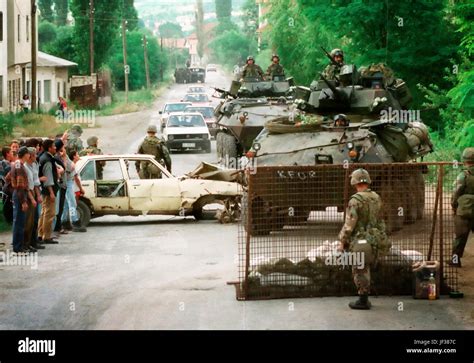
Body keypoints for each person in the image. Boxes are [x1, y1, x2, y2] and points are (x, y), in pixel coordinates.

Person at [338, 168, 388, 310]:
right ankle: (366, 296)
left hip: (361, 241)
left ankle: (363, 300)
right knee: (367, 267)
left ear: (354, 182)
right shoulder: (376, 197)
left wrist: (342, 241)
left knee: (360, 268)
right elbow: (380, 221)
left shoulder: (355, 200)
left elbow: (350, 224)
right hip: (375, 238)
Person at [450, 147, 474, 267]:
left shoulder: (463, 175)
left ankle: (455, 261)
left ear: (464, 160)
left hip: (464, 211)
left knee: (460, 238)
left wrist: (454, 206)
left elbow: (456, 192)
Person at [38, 139, 59, 245]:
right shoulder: (47, 160)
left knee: (43, 213)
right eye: (54, 146)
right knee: (49, 214)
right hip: (48, 191)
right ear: (49, 148)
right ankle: (46, 236)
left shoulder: (43, 157)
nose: (55, 148)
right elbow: (48, 179)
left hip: (44, 191)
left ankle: (40, 234)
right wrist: (51, 192)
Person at [10, 147, 31, 253]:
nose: (29, 156)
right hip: (20, 195)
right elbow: (20, 186)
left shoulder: (17, 164)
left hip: (18, 194)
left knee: (18, 221)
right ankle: (18, 247)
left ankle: (18, 245)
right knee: (19, 222)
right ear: (25, 154)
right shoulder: (19, 166)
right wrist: (23, 201)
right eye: (28, 154)